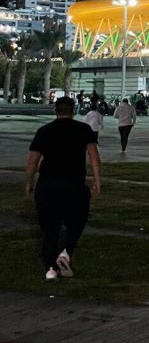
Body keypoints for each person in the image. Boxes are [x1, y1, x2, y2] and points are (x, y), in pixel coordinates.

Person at [24, 96, 102, 281]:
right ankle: (65, 252)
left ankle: (50, 269)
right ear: (73, 111)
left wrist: (29, 182)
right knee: (77, 222)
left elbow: (33, 160)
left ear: (55, 111)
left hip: (48, 184)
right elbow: (93, 157)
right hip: (74, 184)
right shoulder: (83, 130)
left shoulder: (44, 131)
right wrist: (97, 180)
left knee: (49, 227)